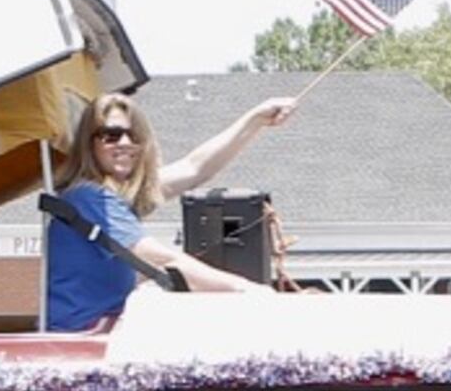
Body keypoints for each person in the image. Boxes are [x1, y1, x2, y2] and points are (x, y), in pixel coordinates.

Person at [43, 91, 298, 330]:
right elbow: (162, 259)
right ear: (89, 144)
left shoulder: (115, 197)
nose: (125, 143)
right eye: (111, 135)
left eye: (134, 136)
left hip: (103, 333)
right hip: (81, 341)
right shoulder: (89, 197)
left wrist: (255, 118)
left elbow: (195, 168)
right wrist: (247, 290)